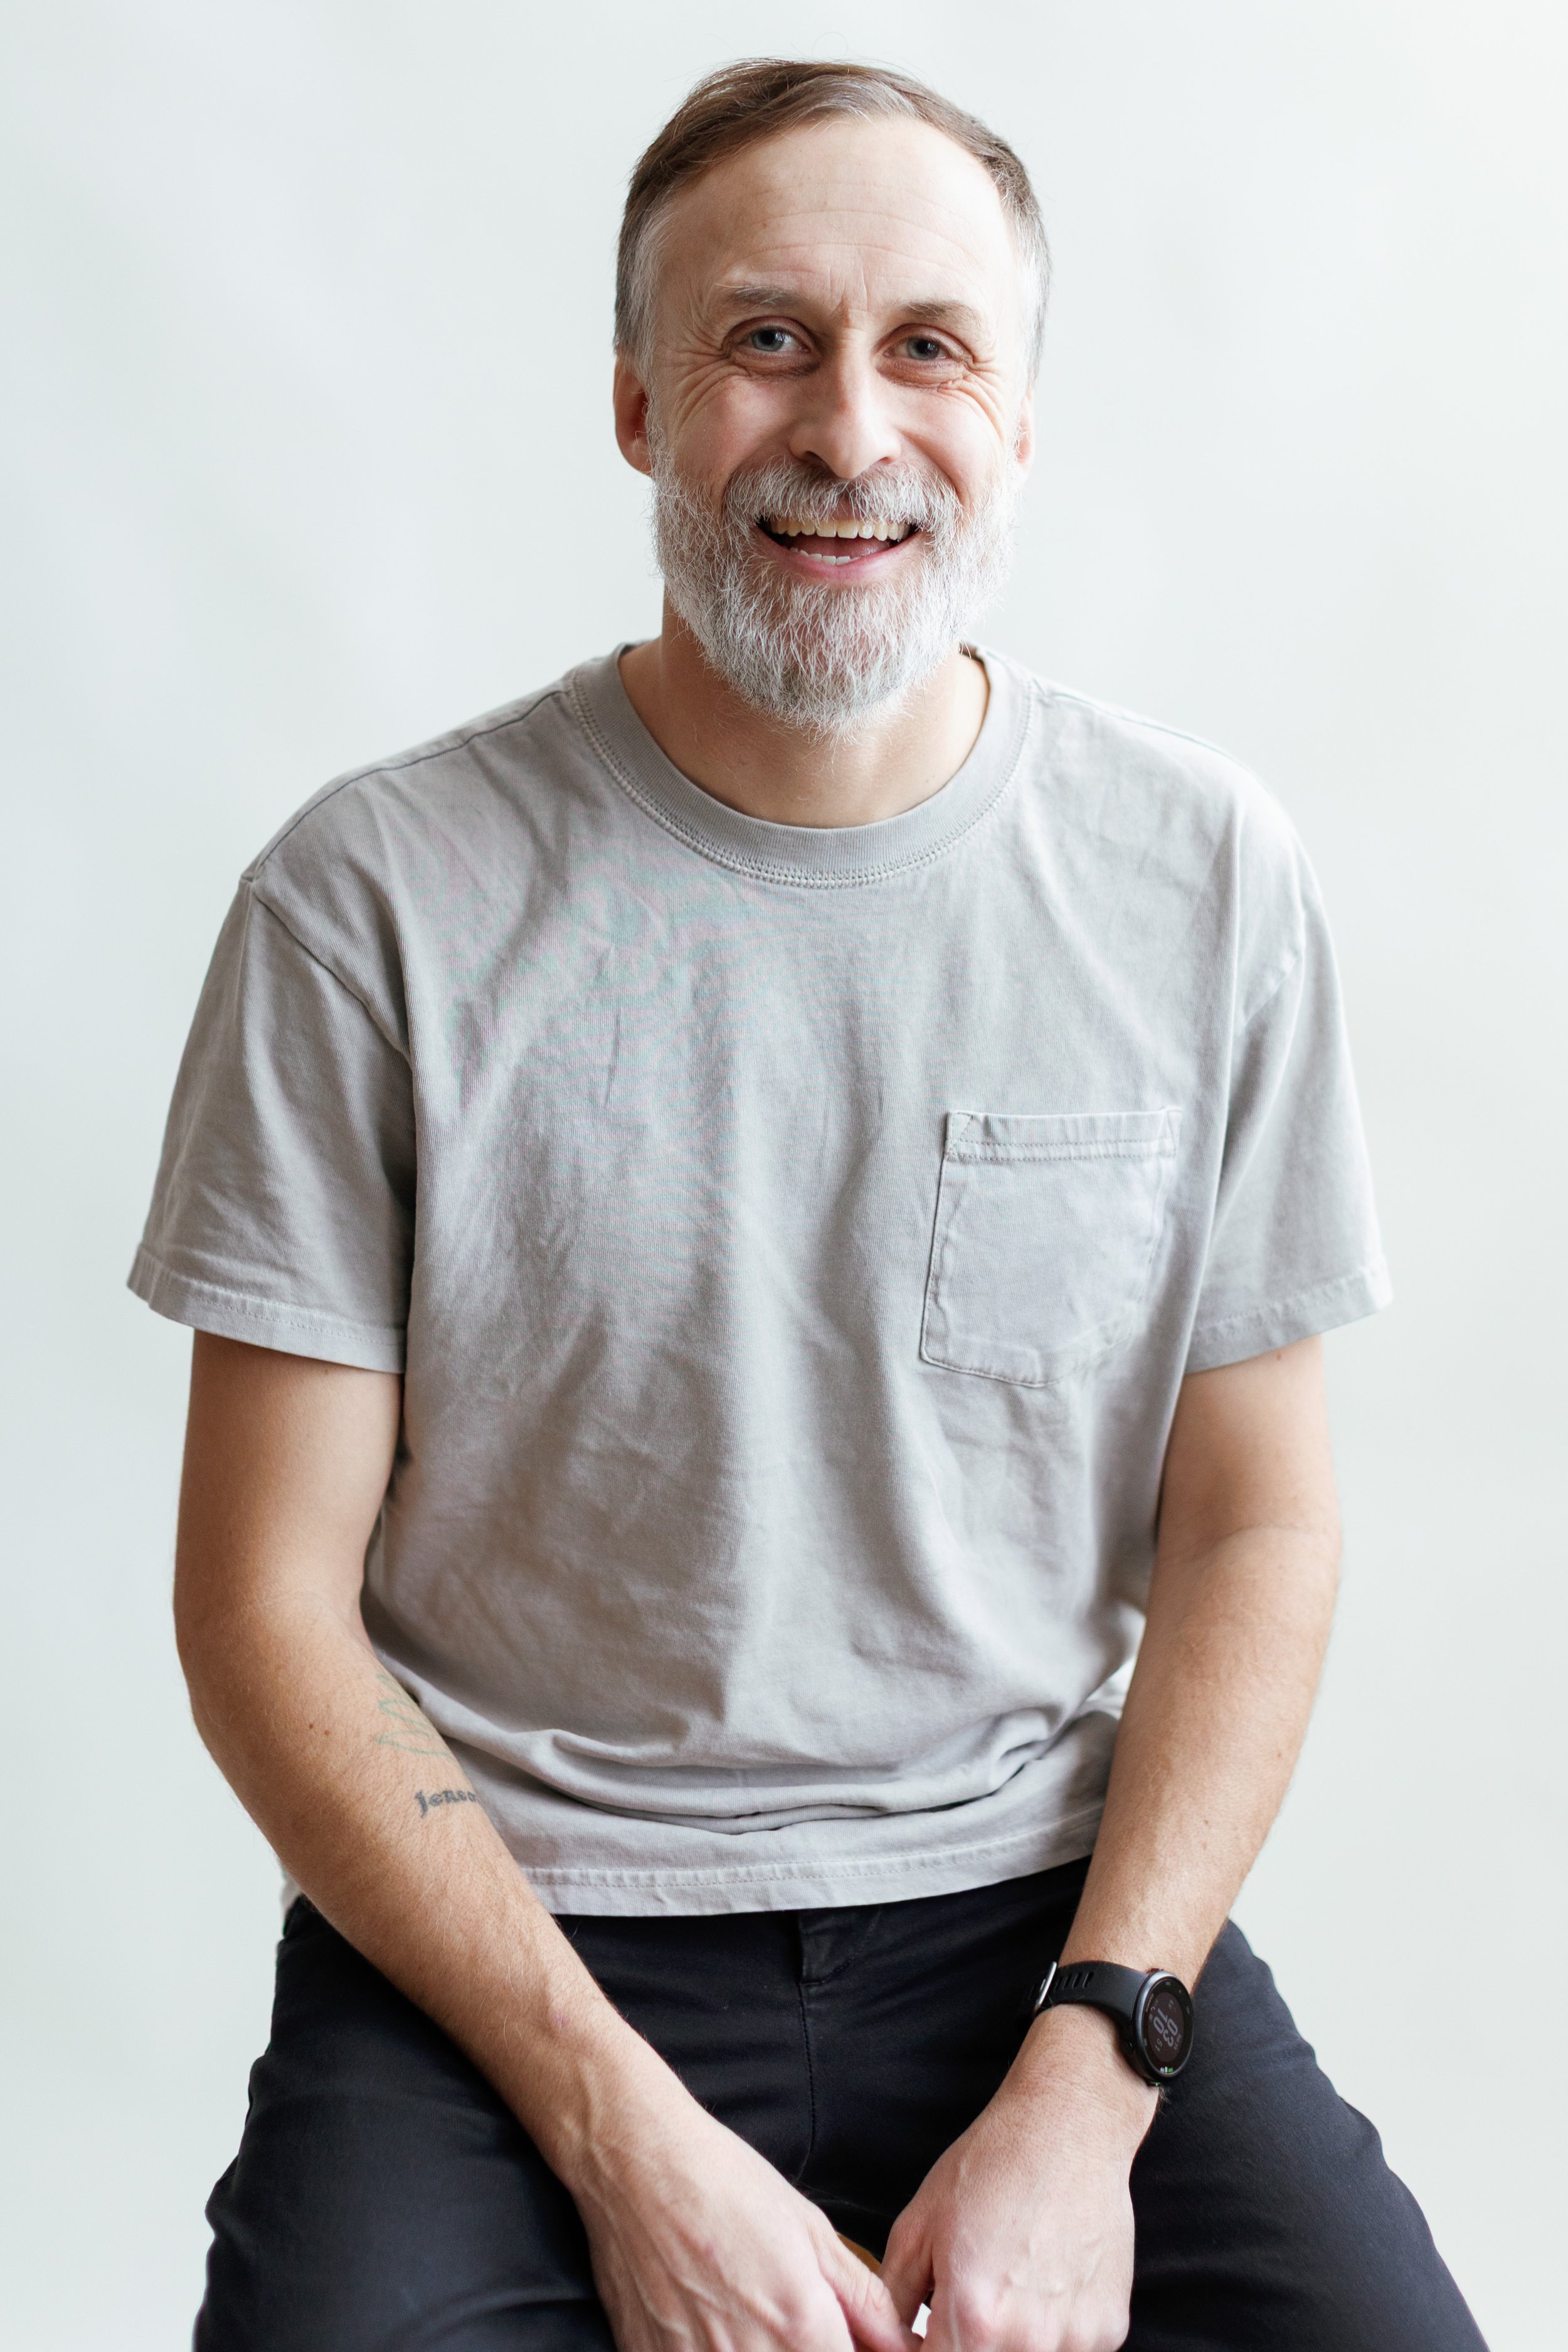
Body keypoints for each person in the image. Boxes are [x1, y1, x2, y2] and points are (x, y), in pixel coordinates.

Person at [134, 57, 1486, 2352]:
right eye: (766, 338)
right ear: (643, 408)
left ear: (1021, 421)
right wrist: (617, 2129)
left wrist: (1092, 2078)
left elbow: (1255, 1528)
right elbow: (262, 1609)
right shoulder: (369, 901)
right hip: (513, 1932)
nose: (849, 427)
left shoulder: (1198, 878)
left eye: (928, 346)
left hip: (1030, 1910)